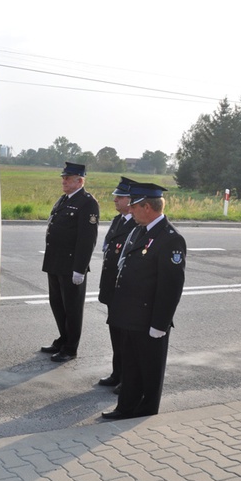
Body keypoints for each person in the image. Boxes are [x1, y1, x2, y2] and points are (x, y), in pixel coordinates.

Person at [101, 182, 186, 420]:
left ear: (147, 207)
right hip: (129, 315)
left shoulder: (170, 239)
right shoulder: (140, 229)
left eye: (134, 206)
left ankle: (145, 410)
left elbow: (171, 287)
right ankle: (126, 407)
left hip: (149, 318)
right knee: (130, 366)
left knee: (148, 368)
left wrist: (160, 324)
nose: (130, 209)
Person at [40, 162, 99, 362]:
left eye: (68, 178)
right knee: (57, 303)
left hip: (71, 265)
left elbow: (87, 239)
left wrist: (80, 269)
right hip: (55, 262)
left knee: (72, 307)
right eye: (63, 178)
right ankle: (63, 339)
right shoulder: (64, 199)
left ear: (79, 181)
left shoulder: (87, 202)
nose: (63, 181)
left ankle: (71, 348)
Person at [97, 177, 137, 391]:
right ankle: (117, 373)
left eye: (119, 197)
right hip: (112, 288)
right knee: (115, 333)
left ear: (130, 201)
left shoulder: (137, 226)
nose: (115, 199)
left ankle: (126, 378)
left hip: (124, 291)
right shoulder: (118, 221)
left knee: (126, 338)